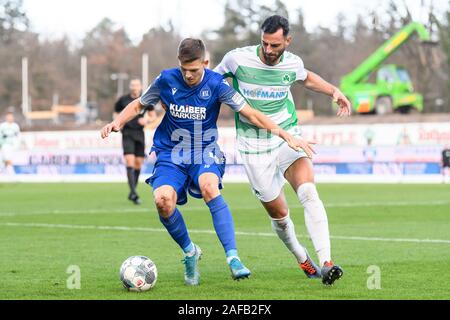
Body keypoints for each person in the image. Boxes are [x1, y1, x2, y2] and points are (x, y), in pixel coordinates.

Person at [101, 38, 315, 286]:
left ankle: (233, 258)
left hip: (204, 151)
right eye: (184, 70)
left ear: (206, 63)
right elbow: (139, 104)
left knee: (209, 187)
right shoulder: (166, 80)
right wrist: (119, 122)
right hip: (171, 153)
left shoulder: (217, 84)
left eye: (194, 70)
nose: (189, 75)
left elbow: (252, 114)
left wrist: (286, 135)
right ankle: (190, 251)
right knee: (162, 201)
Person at [214, 15, 352, 286]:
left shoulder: (292, 63)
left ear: (288, 41)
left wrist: (334, 91)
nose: (268, 50)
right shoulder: (236, 59)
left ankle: (326, 262)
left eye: (275, 45)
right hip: (254, 147)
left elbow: (307, 78)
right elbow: (211, 82)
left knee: (309, 192)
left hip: (288, 138)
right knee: (280, 216)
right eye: (264, 43)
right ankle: (301, 255)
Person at [114, 79, 156, 205]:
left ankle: (133, 191)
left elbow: (152, 115)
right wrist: (118, 123)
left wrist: (147, 120)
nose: (134, 87)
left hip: (139, 133)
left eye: (137, 85)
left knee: (138, 163)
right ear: (130, 87)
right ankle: (133, 192)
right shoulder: (123, 100)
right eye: (132, 85)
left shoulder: (146, 98)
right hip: (127, 133)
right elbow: (115, 113)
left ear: (140, 87)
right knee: (129, 161)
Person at [0, 110, 21, 175]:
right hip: (5, 145)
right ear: (6, 117)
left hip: (14, 145)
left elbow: (18, 136)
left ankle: (6, 171)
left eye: (11, 117)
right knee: (6, 158)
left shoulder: (16, 126)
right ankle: (11, 172)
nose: (10, 118)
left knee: (7, 159)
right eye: (9, 117)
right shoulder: (2, 126)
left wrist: (18, 144)